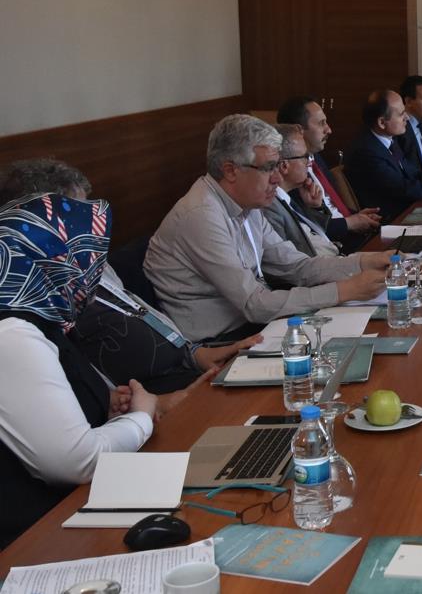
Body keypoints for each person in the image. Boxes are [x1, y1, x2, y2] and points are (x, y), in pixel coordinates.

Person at [0, 158, 259, 393]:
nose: (90, 226)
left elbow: (136, 309)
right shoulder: (31, 303)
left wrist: (196, 354)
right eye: (76, 217)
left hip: (184, 370)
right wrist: (150, 407)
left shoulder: (89, 261)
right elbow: (87, 389)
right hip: (147, 399)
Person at [145, 114, 391, 343]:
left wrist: (363, 262)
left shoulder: (247, 204)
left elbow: (297, 267)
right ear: (230, 170)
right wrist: (346, 290)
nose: (277, 178)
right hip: (220, 343)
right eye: (267, 168)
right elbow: (254, 304)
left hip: (255, 327)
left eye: (277, 166)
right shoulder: (201, 216)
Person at [0, 193, 158, 548]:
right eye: (87, 255)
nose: (93, 270)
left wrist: (102, 407)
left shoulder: (38, 310)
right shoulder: (12, 331)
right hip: (32, 536)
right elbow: (77, 462)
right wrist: (142, 417)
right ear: (57, 260)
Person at [344, 90, 422, 221]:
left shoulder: (387, 140)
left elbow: (413, 173)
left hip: (407, 209)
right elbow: (404, 189)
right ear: (382, 122)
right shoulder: (367, 151)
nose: (407, 117)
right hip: (392, 220)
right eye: (401, 114)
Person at [276, 96, 380, 249]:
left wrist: (357, 217)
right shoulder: (290, 173)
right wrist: (349, 223)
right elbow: (308, 229)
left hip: (351, 236)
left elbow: (332, 207)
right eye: (321, 123)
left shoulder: (316, 158)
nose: (329, 130)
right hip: (335, 246)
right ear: (299, 130)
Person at [262, 125, 342, 258]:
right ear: (284, 165)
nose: (309, 162)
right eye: (305, 156)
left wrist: (315, 208)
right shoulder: (270, 208)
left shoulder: (293, 193)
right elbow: (293, 260)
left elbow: (318, 234)